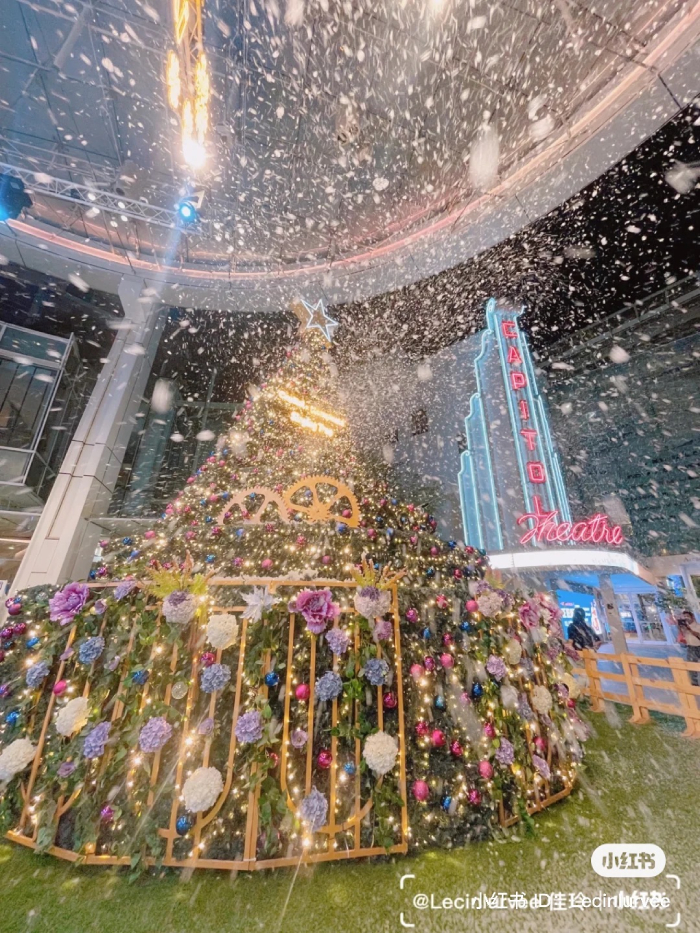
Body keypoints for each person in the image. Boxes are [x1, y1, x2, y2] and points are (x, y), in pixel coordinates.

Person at [677, 609, 700, 686]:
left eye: (687, 616)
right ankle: (694, 684)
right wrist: (679, 627)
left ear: (692, 617)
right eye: (684, 616)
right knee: (691, 666)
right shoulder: (684, 627)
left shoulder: (698, 626)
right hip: (691, 648)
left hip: (699, 646)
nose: (686, 618)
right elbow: (681, 635)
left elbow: (697, 634)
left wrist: (689, 629)